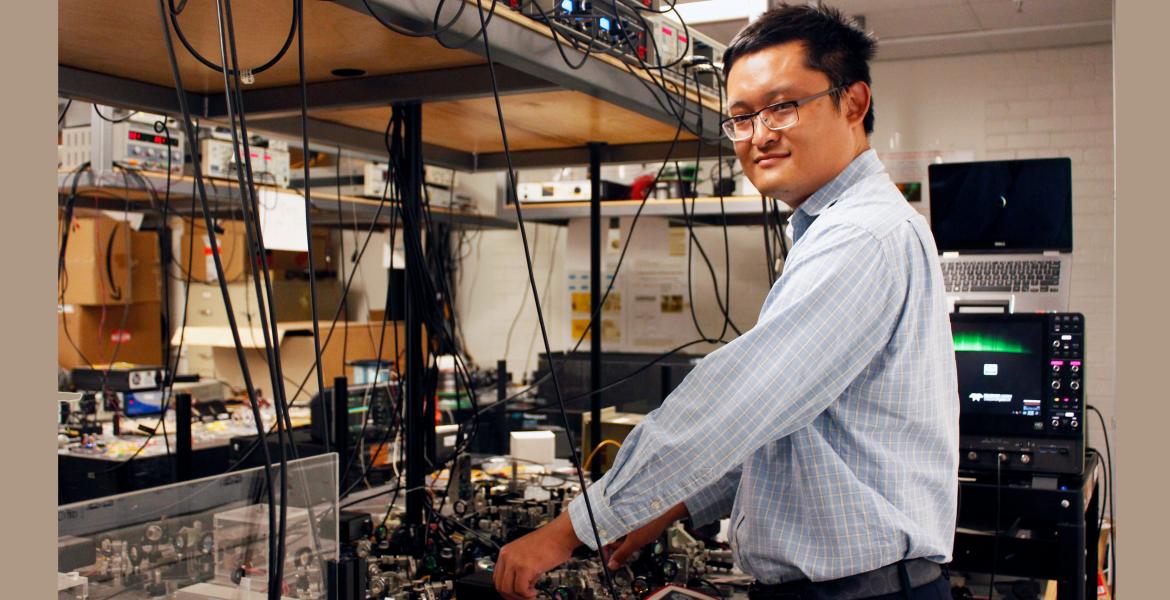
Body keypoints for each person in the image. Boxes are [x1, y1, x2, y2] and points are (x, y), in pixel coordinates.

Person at [494, 4, 958, 600]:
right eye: (741, 117)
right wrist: (669, 504)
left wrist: (570, 529)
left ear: (853, 102)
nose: (760, 134)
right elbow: (789, 432)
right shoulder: (840, 230)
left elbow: (738, 401)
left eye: (782, 106)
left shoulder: (862, 236)